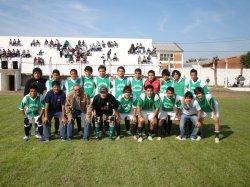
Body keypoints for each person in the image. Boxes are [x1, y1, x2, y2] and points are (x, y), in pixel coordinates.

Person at [45, 69, 65, 137]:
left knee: (61, 120)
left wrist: (63, 117)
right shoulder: (49, 92)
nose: (56, 88)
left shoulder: (62, 93)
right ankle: (47, 136)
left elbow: (63, 106)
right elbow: (46, 105)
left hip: (59, 109)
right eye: (54, 87)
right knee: (46, 120)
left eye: (57, 87)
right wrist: (46, 116)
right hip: (51, 109)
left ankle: (60, 134)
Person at [112, 66, 131, 134]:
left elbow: (129, 88)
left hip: (125, 99)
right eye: (119, 71)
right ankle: (115, 130)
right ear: (117, 72)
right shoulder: (113, 80)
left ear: (124, 72)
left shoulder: (128, 80)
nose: (121, 72)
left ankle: (128, 129)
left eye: (122, 71)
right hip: (116, 100)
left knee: (126, 114)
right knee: (115, 115)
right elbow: (110, 88)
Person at [65, 69, 83, 135]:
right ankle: (68, 130)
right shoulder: (66, 82)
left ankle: (79, 129)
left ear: (76, 74)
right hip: (70, 101)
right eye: (72, 74)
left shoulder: (80, 80)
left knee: (78, 115)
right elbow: (65, 91)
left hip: (78, 100)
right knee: (69, 114)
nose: (73, 75)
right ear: (70, 74)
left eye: (74, 73)